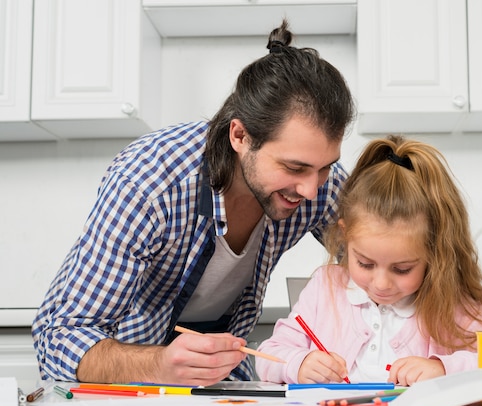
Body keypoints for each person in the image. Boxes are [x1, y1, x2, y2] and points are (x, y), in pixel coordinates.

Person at [31, 20, 355, 384]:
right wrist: (159, 365)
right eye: (294, 168)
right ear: (240, 136)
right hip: (127, 383)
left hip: (224, 378)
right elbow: (58, 339)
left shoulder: (316, 182)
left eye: (325, 168)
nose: (312, 190)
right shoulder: (149, 183)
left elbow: (390, 255)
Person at [255, 135, 482, 386]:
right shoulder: (325, 287)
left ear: (434, 252)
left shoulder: (446, 297)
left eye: (402, 269)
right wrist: (299, 364)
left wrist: (443, 368)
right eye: (365, 263)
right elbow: (268, 355)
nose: (382, 283)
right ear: (345, 236)